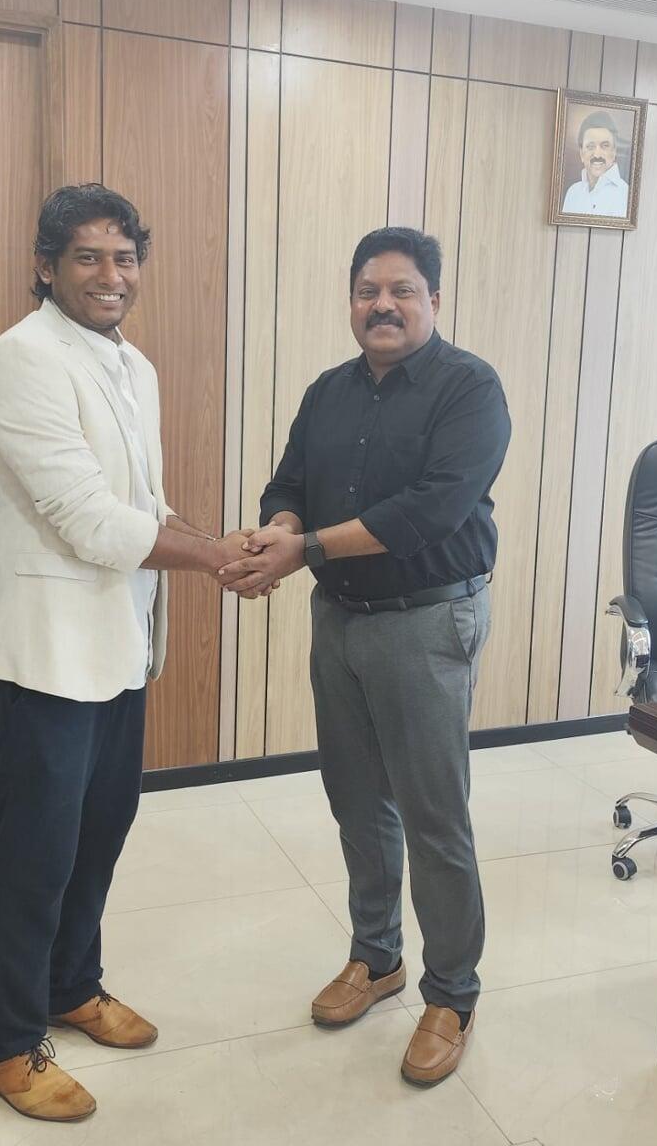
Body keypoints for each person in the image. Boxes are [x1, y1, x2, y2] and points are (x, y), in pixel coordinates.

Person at [0, 184, 251, 1122]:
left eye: (125, 257)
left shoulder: (135, 365)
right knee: (34, 854)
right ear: (46, 266)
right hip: (46, 653)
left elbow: (142, 503)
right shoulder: (23, 358)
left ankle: (70, 986)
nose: (110, 275)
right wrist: (215, 559)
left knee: (100, 831)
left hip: (120, 646)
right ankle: (5, 1044)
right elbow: (86, 519)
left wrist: (215, 542)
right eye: (87, 257)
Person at [219, 226, 511, 1087]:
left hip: (428, 619)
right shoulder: (329, 391)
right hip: (340, 619)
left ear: (433, 300)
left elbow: (430, 511)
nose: (383, 305)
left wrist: (302, 549)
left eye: (401, 290)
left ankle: (451, 993)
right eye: (367, 291)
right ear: (352, 301)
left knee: (432, 813)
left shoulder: (470, 389)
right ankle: (376, 956)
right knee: (356, 800)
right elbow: (289, 485)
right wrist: (278, 528)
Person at [560, 109, 630, 217]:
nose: (597, 155)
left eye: (605, 146)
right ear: (581, 154)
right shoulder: (573, 193)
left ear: (614, 151)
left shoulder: (625, 195)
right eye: (590, 146)